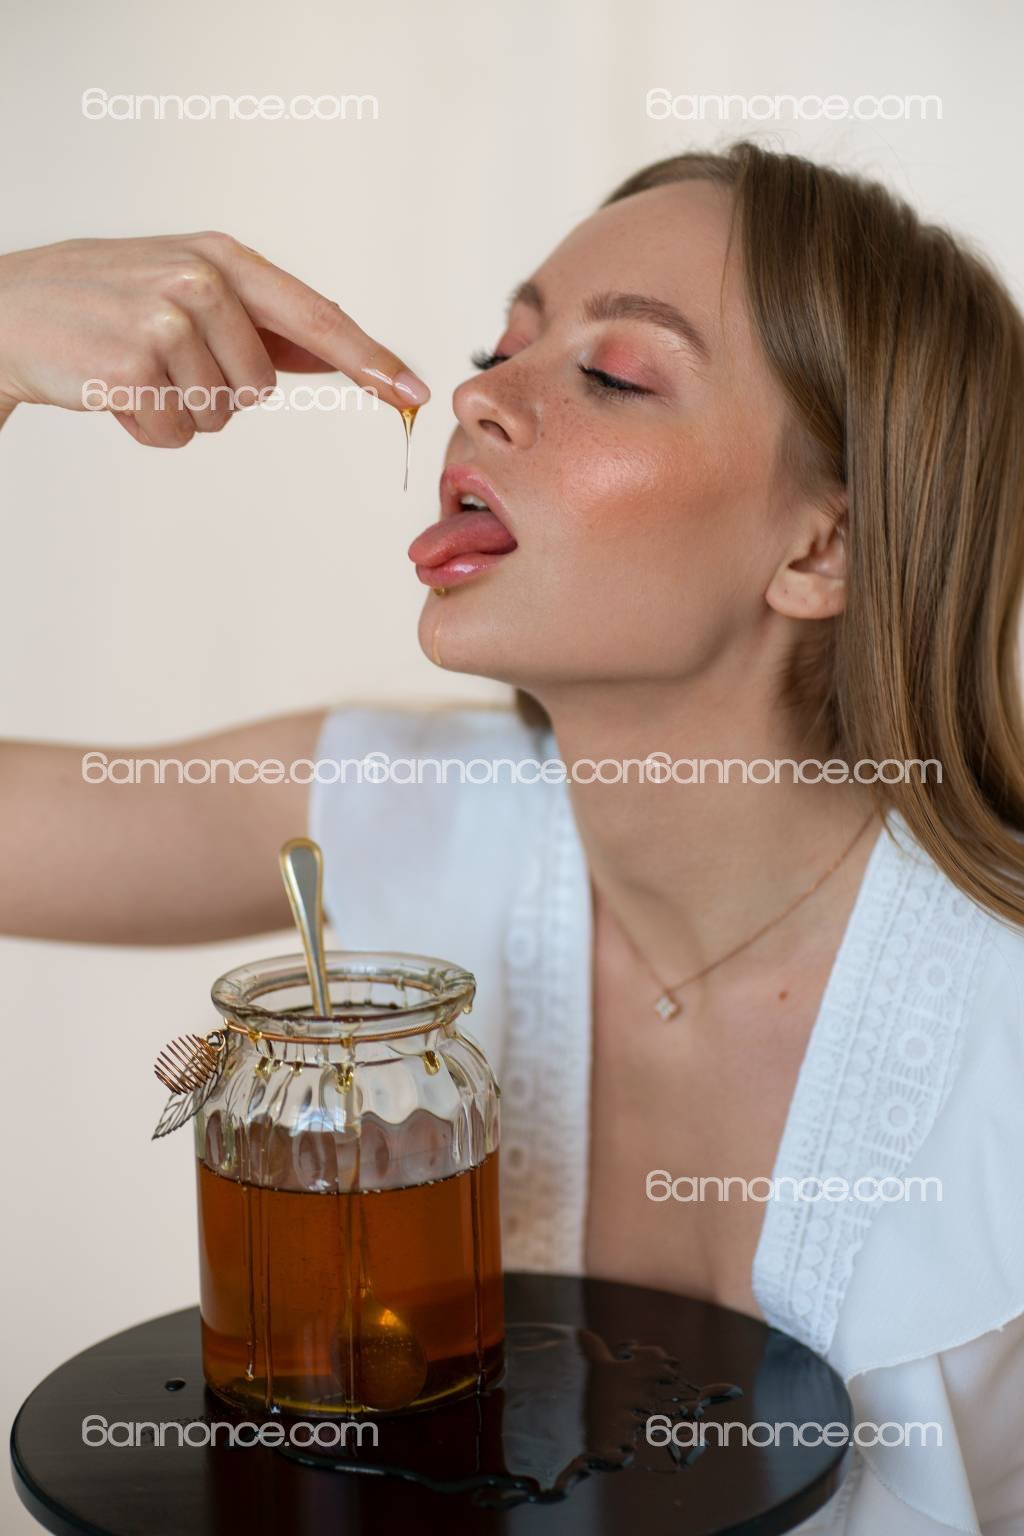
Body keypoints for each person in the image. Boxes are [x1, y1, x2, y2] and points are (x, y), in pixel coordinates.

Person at [2, 141, 1022, 1533]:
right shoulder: (400, 807)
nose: (477, 396)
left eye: (614, 375)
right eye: (500, 348)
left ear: (819, 550)